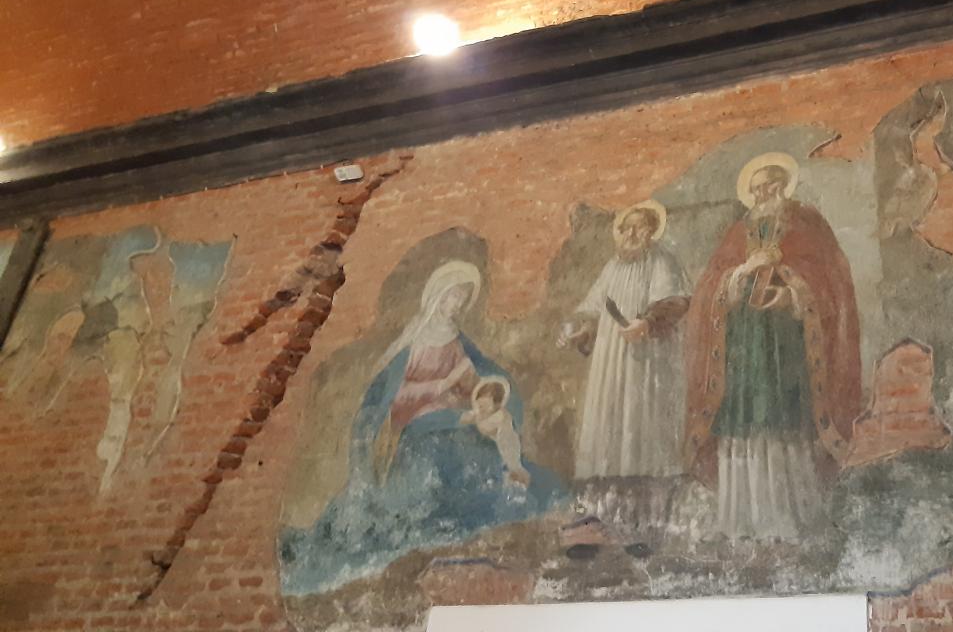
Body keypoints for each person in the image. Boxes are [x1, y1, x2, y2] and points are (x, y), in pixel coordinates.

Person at [278, 261, 563, 596]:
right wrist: (440, 386)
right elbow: (396, 395)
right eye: (453, 297)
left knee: (487, 435)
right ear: (437, 296)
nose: (457, 305)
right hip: (413, 417)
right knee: (442, 447)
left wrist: (484, 391)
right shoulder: (414, 340)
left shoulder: (458, 339)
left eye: (462, 299)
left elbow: (479, 373)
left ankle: (509, 485)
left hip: (453, 408)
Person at [684, 154, 862, 540]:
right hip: (743, 345)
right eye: (758, 188)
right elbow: (711, 282)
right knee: (743, 421)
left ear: (784, 185)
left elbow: (831, 276)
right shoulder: (738, 232)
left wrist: (791, 294)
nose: (765, 192)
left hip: (786, 343)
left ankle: (789, 518)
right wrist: (741, 273)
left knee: (784, 419)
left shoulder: (807, 222)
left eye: (771, 184)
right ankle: (741, 521)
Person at [558, 201, 689, 527]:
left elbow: (676, 302)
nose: (631, 233)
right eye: (625, 228)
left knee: (641, 426)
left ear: (651, 230)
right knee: (608, 423)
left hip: (648, 361)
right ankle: (600, 514)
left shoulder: (662, 261)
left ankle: (645, 517)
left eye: (638, 227)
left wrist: (647, 323)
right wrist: (582, 331)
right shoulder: (612, 267)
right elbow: (594, 309)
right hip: (609, 360)